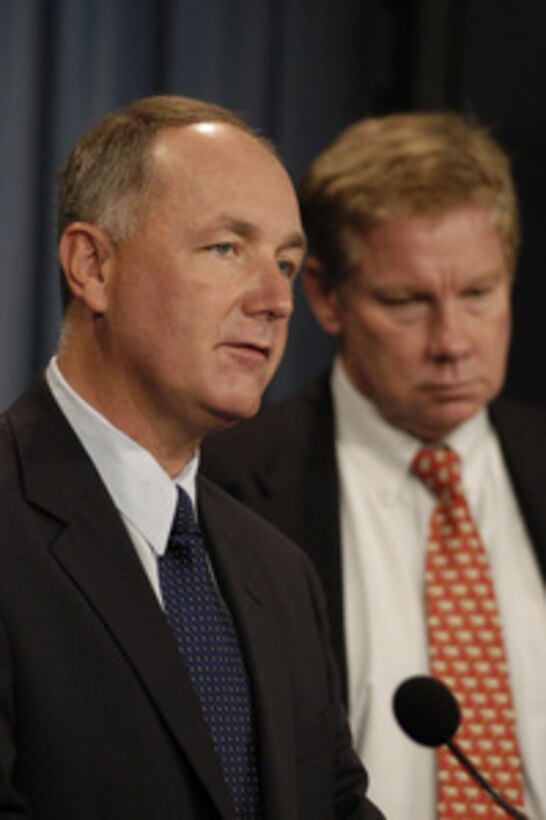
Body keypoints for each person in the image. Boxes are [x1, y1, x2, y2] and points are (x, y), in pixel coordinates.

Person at [0, 95, 384, 819]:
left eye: (287, 264)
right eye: (226, 249)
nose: (275, 300)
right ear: (93, 266)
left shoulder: (281, 573)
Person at [201, 112, 546, 819]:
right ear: (326, 296)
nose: (452, 341)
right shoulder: (220, 490)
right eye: (407, 301)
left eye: (478, 294)